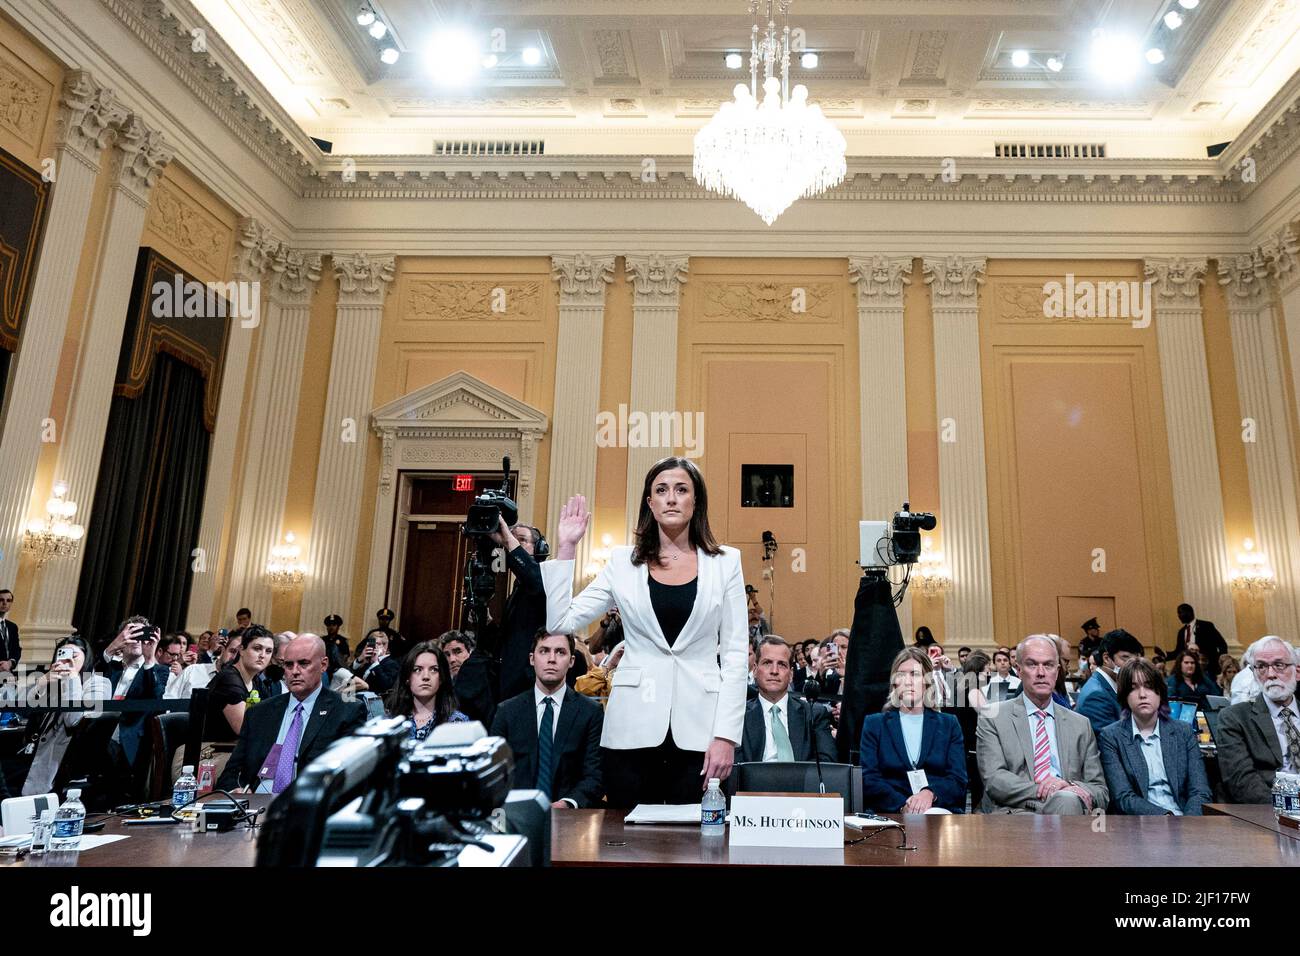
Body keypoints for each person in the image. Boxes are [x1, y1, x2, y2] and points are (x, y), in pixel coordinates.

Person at [541, 456, 747, 808]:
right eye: (661, 490)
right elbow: (560, 621)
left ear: (695, 501)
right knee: (626, 848)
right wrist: (567, 548)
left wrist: (726, 736)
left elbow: (734, 654)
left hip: (701, 730)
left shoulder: (726, 562)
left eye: (681, 490)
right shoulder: (624, 562)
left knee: (694, 849)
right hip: (631, 729)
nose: (671, 498)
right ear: (649, 503)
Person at [976, 634, 1108, 814]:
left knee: (1068, 803)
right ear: (1019, 670)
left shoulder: (1080, 724)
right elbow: (995, 781)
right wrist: (1050, 792)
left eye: (1048, 665)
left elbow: (1100, 791)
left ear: (1058, 670)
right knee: (1066, 802)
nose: (1041, 672)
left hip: (1070, 812)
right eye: (1032, 664)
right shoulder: (993, 718)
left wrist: (1068, 788)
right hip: (1014, 814)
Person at [217, 634, 366, 793]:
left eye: (303, 663)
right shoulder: (258, 713)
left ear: (323, 665)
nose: (294, 671)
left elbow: (351, 778)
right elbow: (230, 775)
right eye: (288, 665)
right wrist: (235, 790)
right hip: (255, 805)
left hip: (306, 805)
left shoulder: (347, 711)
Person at [491, 630, 604, 807]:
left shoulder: (590, 712)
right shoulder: (507, 712)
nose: (552, 659)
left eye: (560, 652)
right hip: (516, 815)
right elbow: (495, 774)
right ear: (531, 659)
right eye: (544, 651)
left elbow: (594, 775)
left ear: (572, 661)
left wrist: (567, 803)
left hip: (571, 819)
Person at [1099, 658, 1212, 815]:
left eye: (1149, 687)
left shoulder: (1183, 732)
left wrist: (1188, 825)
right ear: (1125, 695)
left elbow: (1200, 792)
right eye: (1133, 688)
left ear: (1160, 693)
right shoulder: (1111, 737)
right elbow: (1123, 797)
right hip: (1141, 825)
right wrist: (1167, 819)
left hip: (1187, 822)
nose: (1143, 695)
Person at [860, 647, 967, 814]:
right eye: (901, 674)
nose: (908, 681)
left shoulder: (949, 724)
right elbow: (869, 779)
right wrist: (903, 805)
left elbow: (957, 780)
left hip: (938, 814)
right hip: (891, 814)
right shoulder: (874, 724)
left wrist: (930, 793)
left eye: (915, 674)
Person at [20, 636, 111, 796]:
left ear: (86, 656)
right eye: (63, 655)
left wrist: (73, 678)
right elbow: (22, 707)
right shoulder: (53, 681)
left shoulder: (99, 683)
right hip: (32, 761)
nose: (68, 661)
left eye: (74, 656)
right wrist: (42, 682)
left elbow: (73, 721)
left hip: (67, 767)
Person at [1217, 635, 1300, 803]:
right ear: (1254, 674)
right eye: (1261, 666)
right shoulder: (1235, 718)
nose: (1270, 674)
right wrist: (1287, 810)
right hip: (1269, 813)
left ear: (1297, 672)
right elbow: (1241, 782)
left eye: (1279, 665)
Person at [736, 636, 835, 763]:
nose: (774, 671)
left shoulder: (814, 714)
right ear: (755, 670)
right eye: (767, 663)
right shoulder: (739, 716)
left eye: (782, 665)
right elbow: (733, 767)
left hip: (802, 782)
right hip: (752, 782)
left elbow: (827, 764)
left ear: (791, 674)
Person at [491, 519, 550, 701]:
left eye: (521, 540)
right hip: (507, 680)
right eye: (512, 539)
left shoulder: (544, 578)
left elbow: (533, 579)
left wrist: (507, 539)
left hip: (527, 681)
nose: (513, 542)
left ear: (539, 549)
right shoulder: (518, 586)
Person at [99, 617, 167, 771]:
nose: (138, 640)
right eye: (133, 634)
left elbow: (158, 701)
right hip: (98, 737)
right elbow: (90, 679)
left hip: (130, 744)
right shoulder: (111, 667)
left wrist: (150, 658)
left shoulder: (157, 670)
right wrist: (111, 648)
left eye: (142, 635)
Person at [204, 626, 275, 742]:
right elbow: (244, 729)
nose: (263, 655)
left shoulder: (256, 680)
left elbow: (273, 715)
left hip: (236, 750)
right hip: (209, 753)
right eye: (257, 648)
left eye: (268, 651)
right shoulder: (229, 679)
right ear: (241, 650)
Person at [386, 640, 468, 740]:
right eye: (417, 670)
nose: (426, 677)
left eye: (433, 669)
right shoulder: (391, 723)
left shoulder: (457, 723)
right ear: (407, 678)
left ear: (441, 678)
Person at [1074, 629, 1144, 735]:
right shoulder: (1096, 695)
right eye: (1126, 658)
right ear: (1106, 658)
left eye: (1135, 660)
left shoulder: (1112, 684)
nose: (1132, 666)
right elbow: (1111, 741)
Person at [165, 628, 242, 699]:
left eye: (239, 654)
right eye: (232, 651)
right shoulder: (193, 671)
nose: (234, 657)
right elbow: (169, 699)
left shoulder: (241, 686)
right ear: (223, 649)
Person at [1173, 604, 1227, 680]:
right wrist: (1165, 655)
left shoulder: (1206, 626)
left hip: (1208, 668)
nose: (1178, 616)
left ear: (1189, 612)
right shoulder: (1181, 632)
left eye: (1180, 612)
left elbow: (1222, 644)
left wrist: (1220, 661)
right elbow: (1178, 651)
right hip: (1190, 669)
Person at [352, 631, 400, 696]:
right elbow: (350, 675)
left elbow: (386, 685)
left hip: (374, 700)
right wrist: (360, 658)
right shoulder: (368, 660)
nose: (373, 646)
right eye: (371, 643)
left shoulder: (392, 664)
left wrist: (375, 663)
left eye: (377, 643)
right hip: (355, 696)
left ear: (385, 646)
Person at [0, 588, 20, 673]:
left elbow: (17, 649)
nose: (5, 603)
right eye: (1, 600)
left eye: (8, 600)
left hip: (7, 674)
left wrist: (10, 663)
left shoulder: (12, 627)